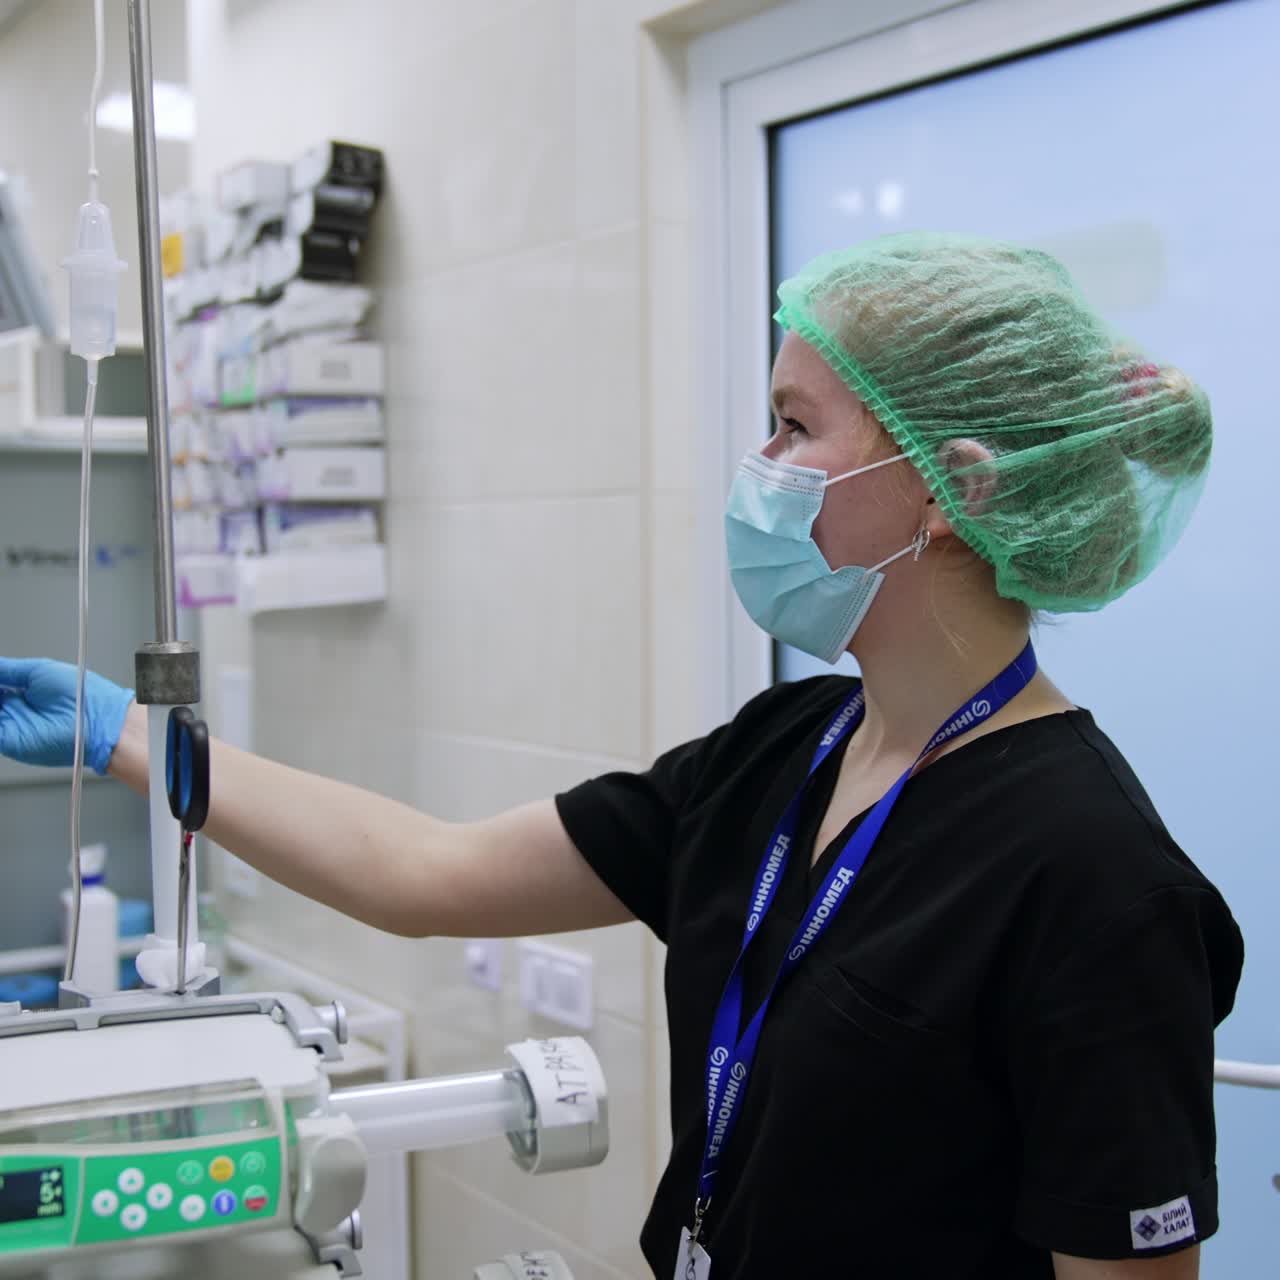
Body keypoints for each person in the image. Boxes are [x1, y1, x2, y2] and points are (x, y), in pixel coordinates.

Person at [0, 232, 1243, 1280]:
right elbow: (424, 870)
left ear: (943, 488)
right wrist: (131, 735)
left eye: (793, 424)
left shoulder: (1090, 876)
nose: (758, 468)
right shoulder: (786, 749)